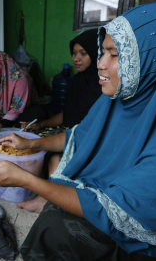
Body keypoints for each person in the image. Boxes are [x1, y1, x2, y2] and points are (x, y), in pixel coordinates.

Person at [0, 2, 156, 260]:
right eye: (102, 52)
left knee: (56, 231)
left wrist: (27, 180)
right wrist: (31, 144)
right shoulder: (119, 99)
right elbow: (80, 137)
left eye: (114, 55)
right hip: (109, 190)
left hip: (141, 229)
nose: (100, 64)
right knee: (57, 197)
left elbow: (119, 213)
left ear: (155, 61)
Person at [18, 29, 102, 212]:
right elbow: (68, 114)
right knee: (37, 147)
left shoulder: (104, 85)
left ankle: (48, 198)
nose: (76, 58)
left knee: (57, 158)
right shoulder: (76, 82)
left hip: (89, 139)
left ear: (97, 54)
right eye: (74, 53)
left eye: (83, 53)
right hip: (69, 134)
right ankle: (53, 194)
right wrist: (41, 124)